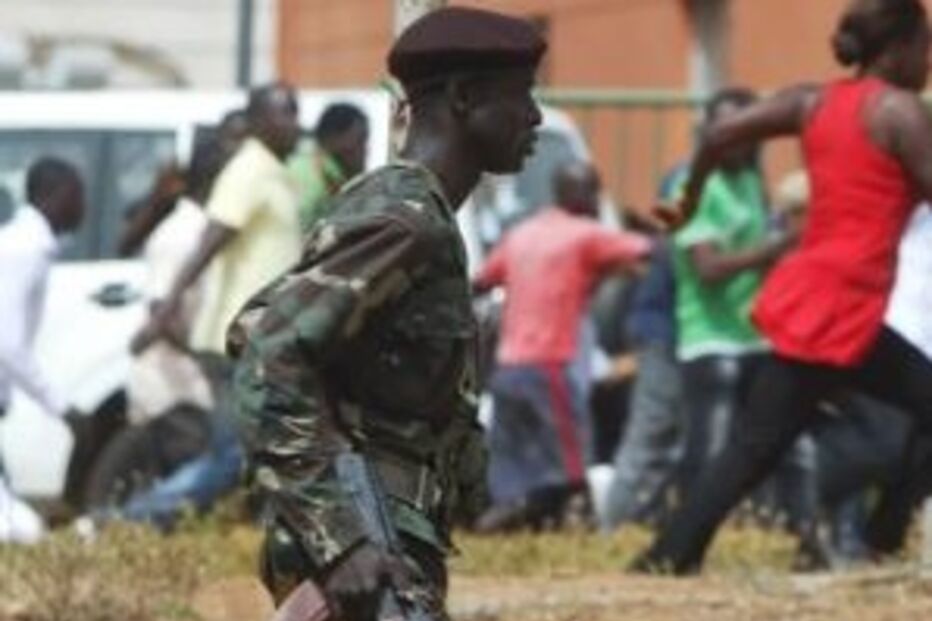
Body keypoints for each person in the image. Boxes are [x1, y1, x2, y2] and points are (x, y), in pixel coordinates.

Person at [228, 7, 547, 618]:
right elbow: (268, 349)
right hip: (363, 538)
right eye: (522, 96)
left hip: (390, 533)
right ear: (462, 97)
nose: (533, 117)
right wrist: (340, 537)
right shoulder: (405, 220)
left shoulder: (414, 214)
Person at [634, 0, 932, 574]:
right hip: (844, 307)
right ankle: (882, 538)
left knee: (753, 446)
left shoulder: (811, 100)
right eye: (925, 46)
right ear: (897, 49)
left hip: (817, 300)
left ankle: (667, 558)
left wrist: (687, 200)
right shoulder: (900, 113)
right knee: (754, 446)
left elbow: (719, 134)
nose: (928, 60)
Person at [472, 161, 649, 532]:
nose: (598, 202)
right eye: (594, 192)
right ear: (581, 194)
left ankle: (504, 522)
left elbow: (483, 280)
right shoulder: (586, 234)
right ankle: (575, 528)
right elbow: (646, 252)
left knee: (516, 466)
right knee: (570, 466)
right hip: (551, 366)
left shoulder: (521, 233)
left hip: (507, 368)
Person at [135, 83, 302, 357]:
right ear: (258, 122)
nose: (296, 125)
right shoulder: (249, 169)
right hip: (243, 340)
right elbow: (209, 243)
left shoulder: (272, 170)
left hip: (266, 336)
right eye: (286, 114)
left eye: (295, 114)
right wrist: (165, 311)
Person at [0, 157, 85, 543]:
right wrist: (60, 406)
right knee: (18, 529)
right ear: (56, 195)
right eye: (78, 195)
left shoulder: (25, 244)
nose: (83, 206)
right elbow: (7, 342)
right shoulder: (25, 249)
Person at [117, 109, 250, 258]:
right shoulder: (196, 180)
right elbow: (126, 244)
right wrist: (159, 197)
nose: (240, 149)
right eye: (234, 139)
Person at [289, 102, 369, 231]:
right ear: (333, 137)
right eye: (360, 140)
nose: (365, 150)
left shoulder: (322, 171)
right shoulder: (314, 174)